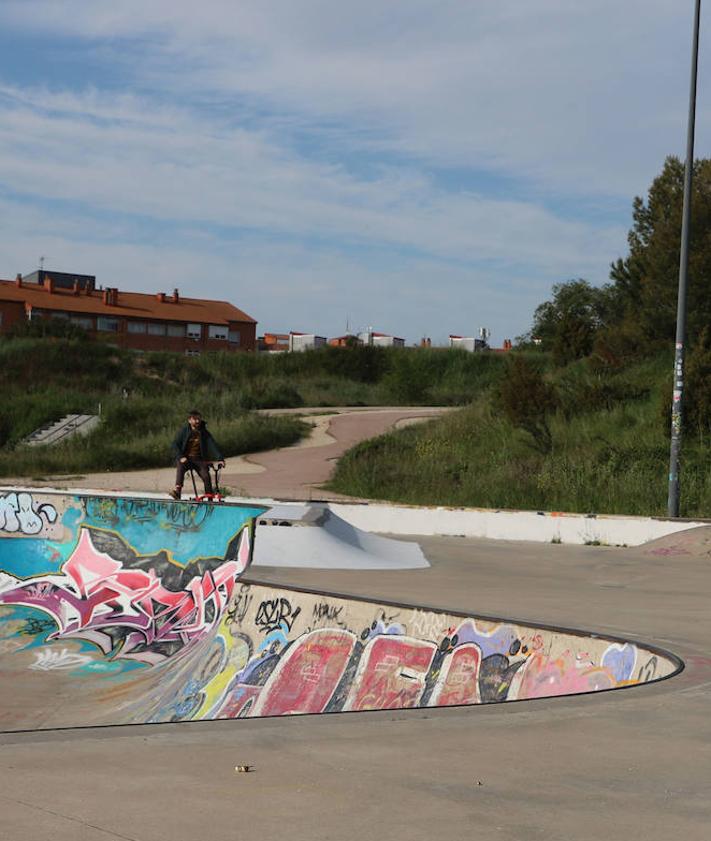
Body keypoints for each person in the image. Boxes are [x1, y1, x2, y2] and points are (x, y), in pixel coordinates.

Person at [169, 410, 225, 500]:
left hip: (199, 459)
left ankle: (209, 498)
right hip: (186, 459)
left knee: (206, 476)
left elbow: (212, 445)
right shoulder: (184, 431)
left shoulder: (204, 432)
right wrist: (180, 456)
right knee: (180, 466)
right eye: (195, 419)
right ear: (189, 420)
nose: (197, 421)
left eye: (199, 419)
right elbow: (175, 444)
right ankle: (177, 492)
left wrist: (220, 458)